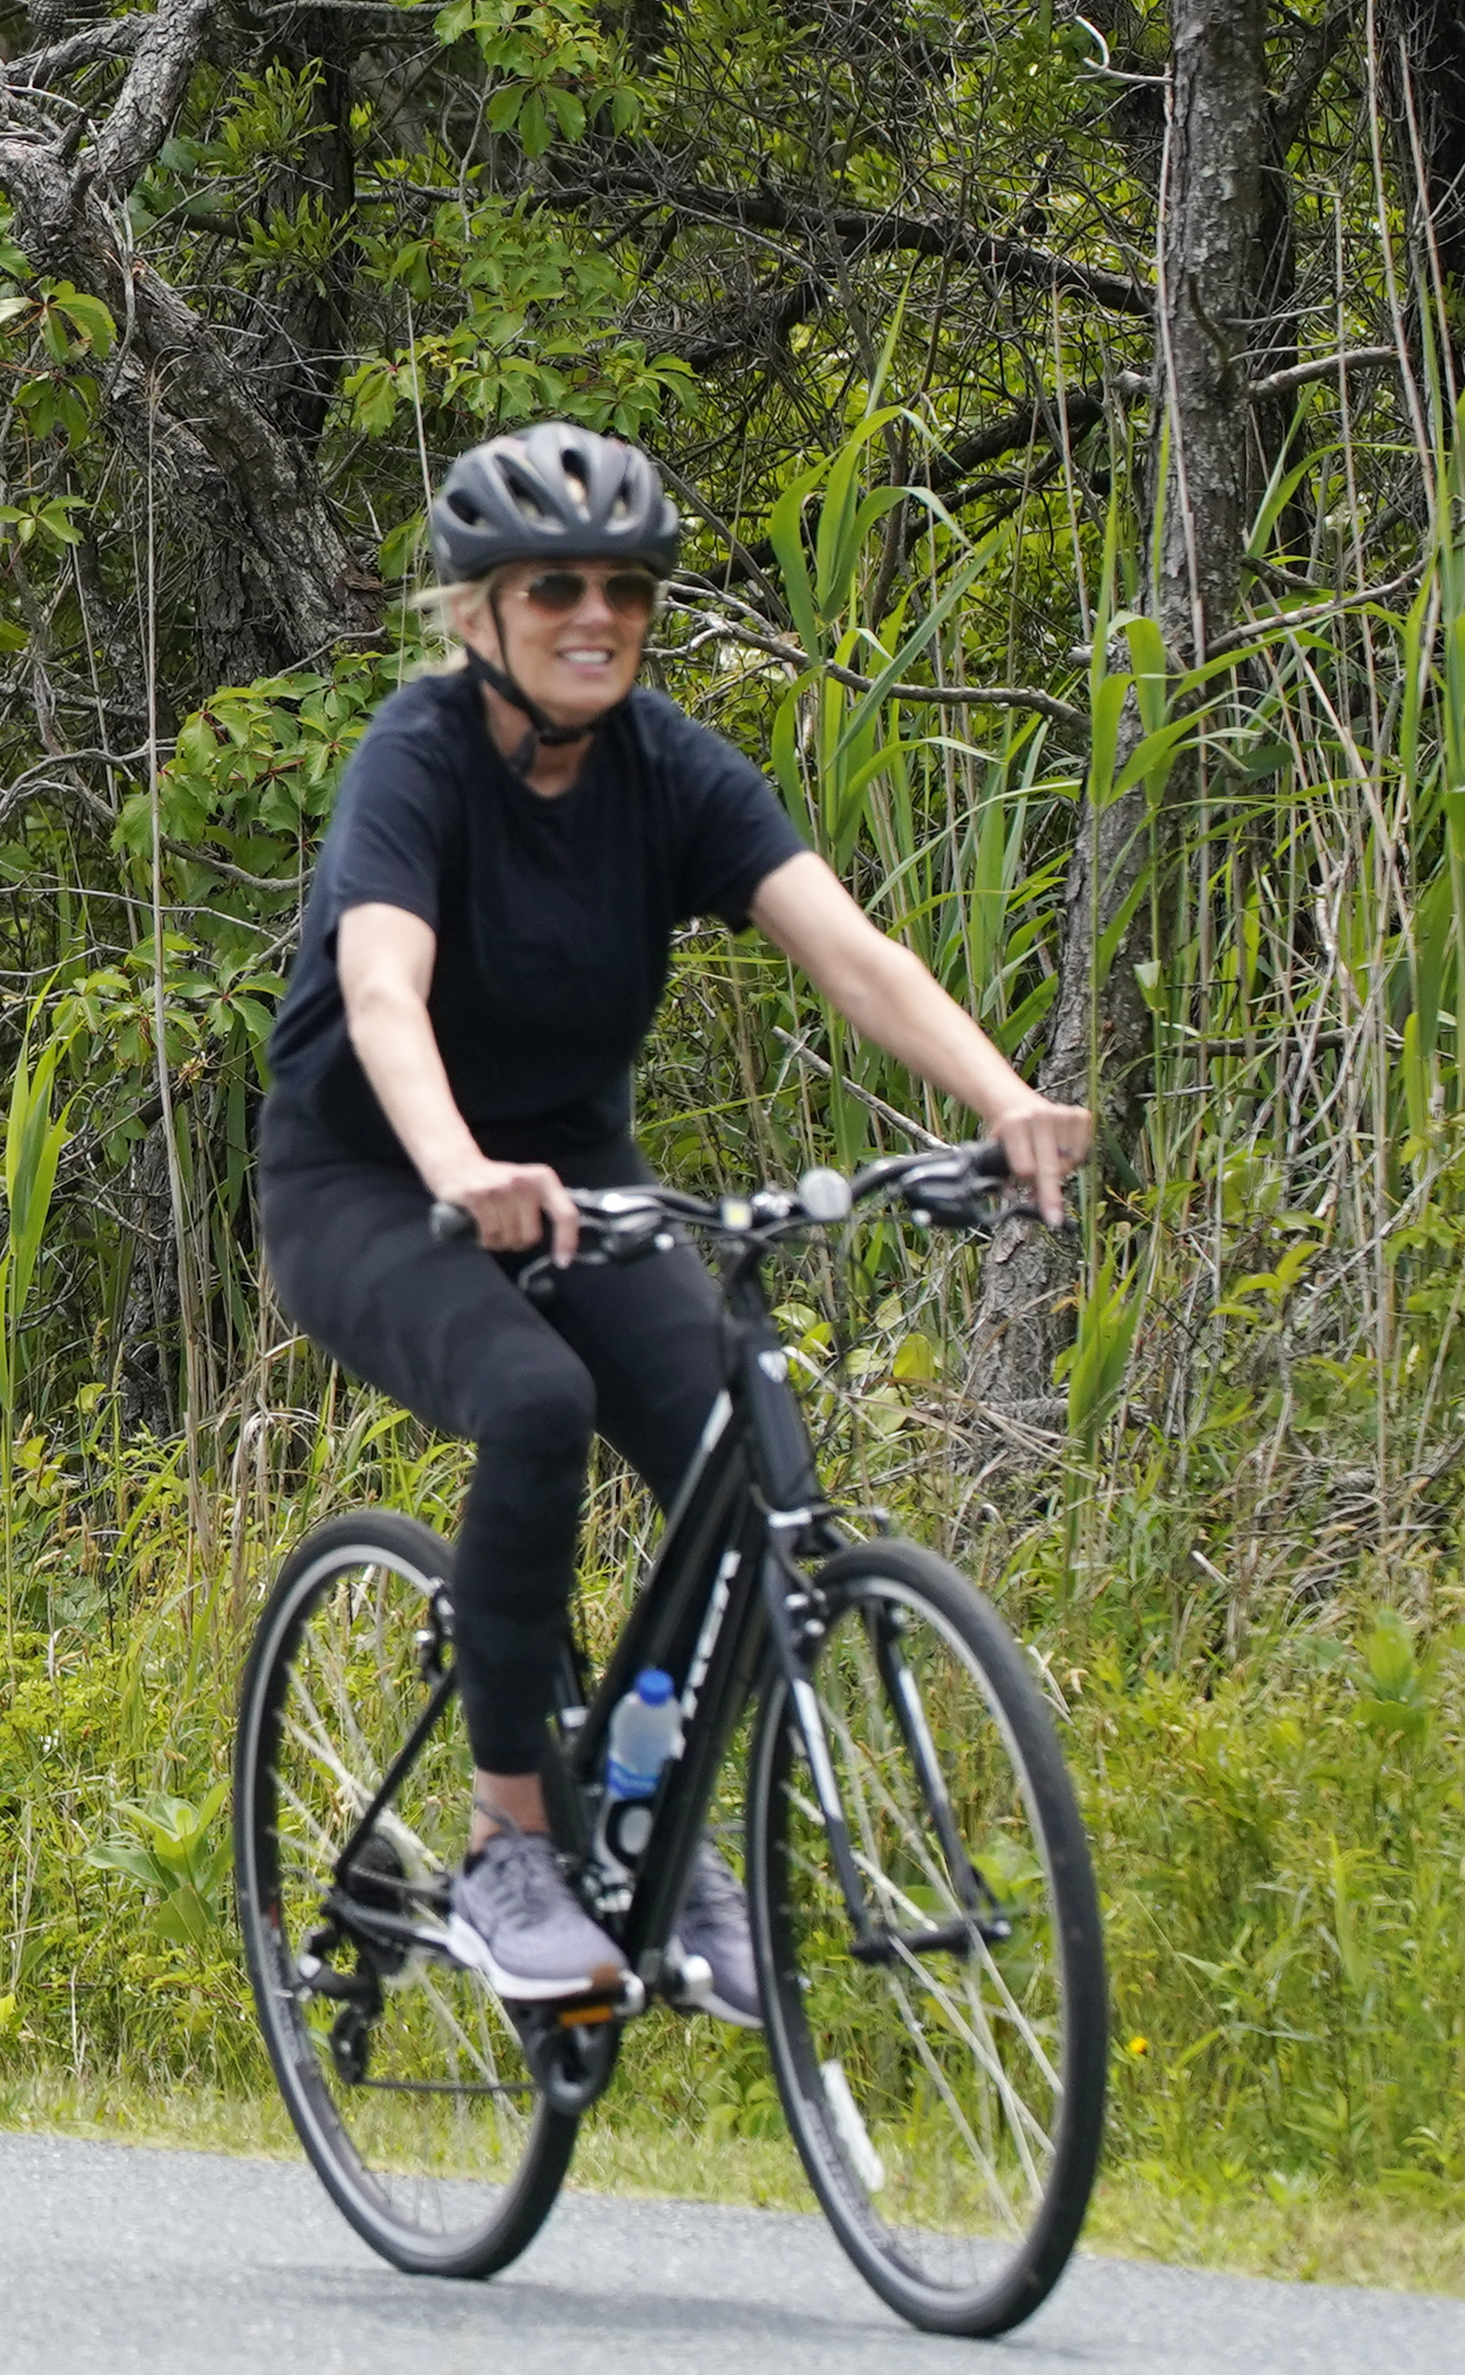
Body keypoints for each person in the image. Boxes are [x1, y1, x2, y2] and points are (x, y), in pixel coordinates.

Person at [256, 421, 1085, 2015]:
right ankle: (508, 1848)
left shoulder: (671, 770)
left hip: (581, 1185)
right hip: (370, 1181)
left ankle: (637, 1820)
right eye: (553, 586)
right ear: (477, 616)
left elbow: (850, 955)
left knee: (733, 1456)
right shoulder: (415, 759)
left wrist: (1001, 1101)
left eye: (624, 591)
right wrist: (450, 1166)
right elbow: (379, 984)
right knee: (533, 1399)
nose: (594, 617)